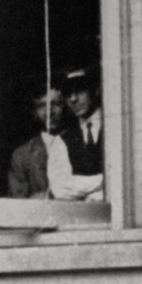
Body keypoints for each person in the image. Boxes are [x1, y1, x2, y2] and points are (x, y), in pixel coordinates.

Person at [51, 68, 106, 202]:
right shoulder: (62, 140)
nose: (73, 99)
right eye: (68, 94)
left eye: (80, 91)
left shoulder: (116, 130)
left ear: (96, 90)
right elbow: (60, 189)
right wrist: (105, 181)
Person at [5, 87, 67, 199]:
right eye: (42, 106)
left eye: (56, 104)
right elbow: (17, 203)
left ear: (65, 106)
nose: (49, 111)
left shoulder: (81, 141)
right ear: (34, 113)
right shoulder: (22, 155)